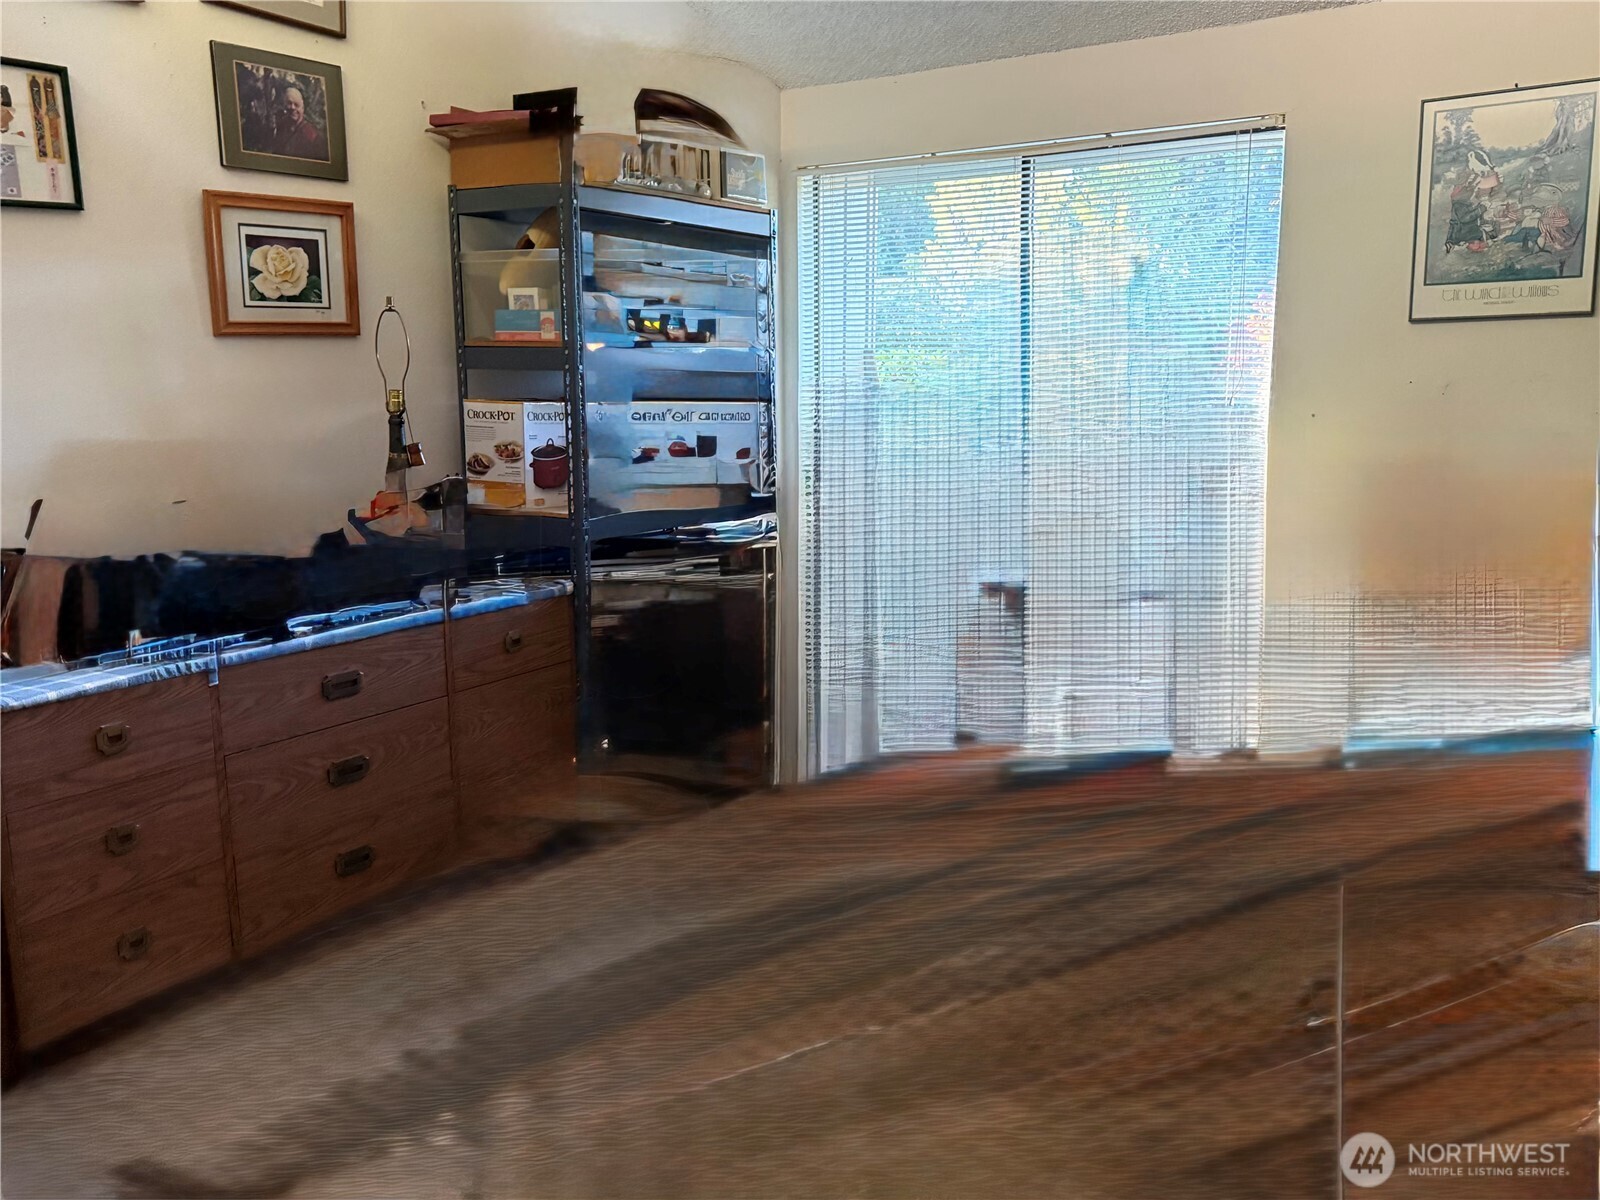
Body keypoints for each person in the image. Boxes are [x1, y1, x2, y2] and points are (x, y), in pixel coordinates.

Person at [274, 85, 325, 160]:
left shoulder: (312, 135)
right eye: (289, 103)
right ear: (284, 106)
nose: (292, 107)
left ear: (302, 108)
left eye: (296, 105)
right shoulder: (281, 126)